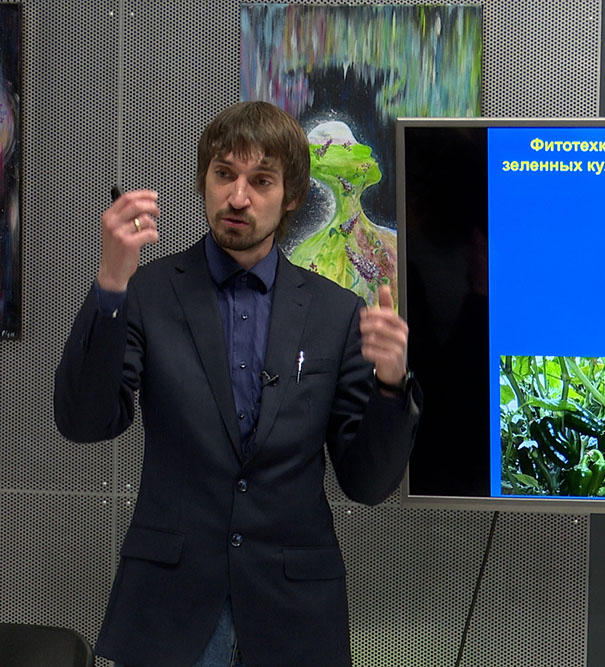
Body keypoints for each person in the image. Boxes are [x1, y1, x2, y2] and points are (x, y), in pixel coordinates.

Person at [54, 101, 420, 666]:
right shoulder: (150, 292)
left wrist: (392, 387)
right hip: (172, 608)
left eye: (261, 181)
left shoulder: (336, 313)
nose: (238, 197)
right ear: (204, 180)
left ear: (292, 196)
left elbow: (367, 483)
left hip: (292, 614)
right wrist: (110, 283)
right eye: (224, 174)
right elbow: (84, 421)